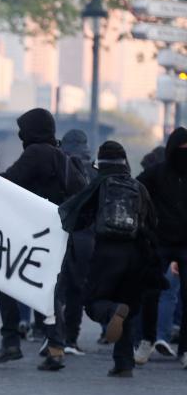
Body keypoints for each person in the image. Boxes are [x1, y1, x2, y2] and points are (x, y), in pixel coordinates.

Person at [0, 108, 87, 371]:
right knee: (46, 289)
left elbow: (10, 182)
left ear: (33, 130)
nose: (21, 134)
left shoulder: (36, 152)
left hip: (32, 231)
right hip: (55, 234)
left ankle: (10, 342)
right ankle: (55, 347)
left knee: (4, 278)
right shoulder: (59, 154)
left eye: (24, 129)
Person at [59, 141, 161, 376]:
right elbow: (153, 222)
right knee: (126, 306)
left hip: (106, 253)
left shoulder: (99, 184)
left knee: (94, 302)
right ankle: (124, 364)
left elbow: (72, 214)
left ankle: (112, 311)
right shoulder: (138, 187)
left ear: (101, 162)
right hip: (135, 256)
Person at [135, 127, 187, 369]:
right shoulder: (156, 174)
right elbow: (135, 192)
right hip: (160, 243)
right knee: (150, 293)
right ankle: (147, 340)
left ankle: (184, 348)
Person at [58, 129, 97, 355]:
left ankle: (53, 335)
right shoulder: (94, 171)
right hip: (86, 237)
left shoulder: (59, 167)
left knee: (55, 288)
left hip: (61, 233)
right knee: (76, 290)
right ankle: (71, 339)